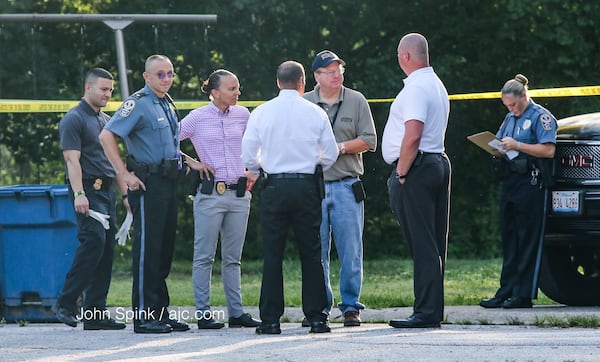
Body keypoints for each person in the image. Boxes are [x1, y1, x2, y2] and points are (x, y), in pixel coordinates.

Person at [241, 60, 339, 335]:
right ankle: (317, 318)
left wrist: (261, 165)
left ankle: (271, 320)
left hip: (274, 187)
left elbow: (248, 154)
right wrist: (311, 162)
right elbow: (330, 154)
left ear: (277, 83)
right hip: (306, 186)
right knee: (312, 251)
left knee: (273, 253)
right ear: (302, 83)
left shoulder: (261, 112)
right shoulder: (315, 112)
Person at [99, 54, 189, 334]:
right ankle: (143, 317)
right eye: (160, 74)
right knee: (147, 252)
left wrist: (189, 161)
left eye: (170, 73)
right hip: (147, 185)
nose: (166, 78)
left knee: (163, 252)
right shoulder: (138, 103)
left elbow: (168, 145)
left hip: (168, 182)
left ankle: (160, 313)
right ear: (146, 77)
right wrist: (124, 174)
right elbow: (106, 135)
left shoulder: (167, 102)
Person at [179, 69, 260, 329]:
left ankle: (236, 313)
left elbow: (257, 144)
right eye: (232, 89)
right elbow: (166, 141)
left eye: (238, 88)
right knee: (204, 256)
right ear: (215, 93)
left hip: (239, 194)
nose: (238, 93)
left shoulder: (244, 114)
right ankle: (203, 314)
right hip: (210, 194)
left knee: (233, 258)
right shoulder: (197, 118)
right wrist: (192, 162)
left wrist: (254, 169)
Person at [381, 33, 451, 328]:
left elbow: (413, 134)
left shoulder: (415, 88)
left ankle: (425, 311)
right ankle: (432, 309)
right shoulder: (436, 84)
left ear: (406, 56)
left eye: (399, 53)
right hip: (437, 161)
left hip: (417, 167)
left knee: (422, 243)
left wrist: (401, 172)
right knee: (434, 243)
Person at [303, 50, 377, 327]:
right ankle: (320, 307)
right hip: (314, 187)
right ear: (317, 76)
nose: (337, 75)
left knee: (351, 250)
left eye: (339, 70)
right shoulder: (305, 102)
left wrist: (341, 148)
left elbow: (370, 140)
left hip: (347, 185)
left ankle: (351, 307)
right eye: (330, 71)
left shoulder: (356, 100)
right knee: (316, 251)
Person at [53, 68, 127, 331]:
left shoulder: (105, 121)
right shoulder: (74, 119)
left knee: (105, 252)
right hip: (88, 190)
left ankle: (95, 315)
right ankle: (65, 302)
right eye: (103, 89)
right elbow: (72, 160)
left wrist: (125, 194)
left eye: (110, 90)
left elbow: (114, 163)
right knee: (93, 242)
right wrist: (79, 194)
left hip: (107, 191)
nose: (108, 94)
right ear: (88, 88)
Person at [480, 74, 557, 309]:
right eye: (507, 105)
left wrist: (518, 145)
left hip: (532, 183)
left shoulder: (541, 117)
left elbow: (548, 151)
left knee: (527, 238)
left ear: (524, 96)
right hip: (511, 180)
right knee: (510, 238)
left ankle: (523, 294)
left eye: (514, 104)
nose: (511, 109)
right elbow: (503, 139)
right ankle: (506, 290)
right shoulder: (509, 118)